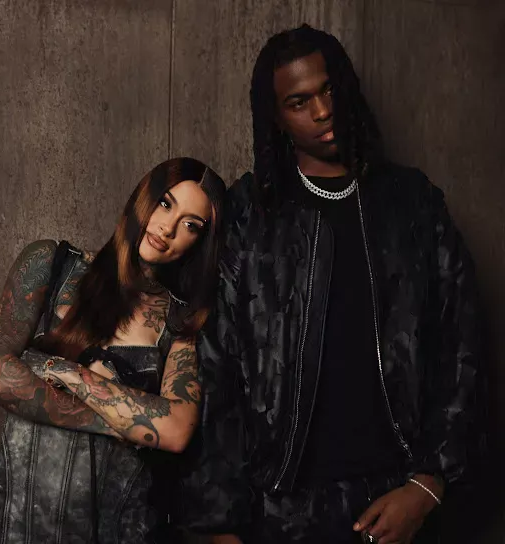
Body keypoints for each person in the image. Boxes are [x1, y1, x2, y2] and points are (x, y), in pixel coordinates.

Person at [178, 25, 484, 544]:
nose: (323, 111)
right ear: (276, 117)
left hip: (399, 493)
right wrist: (220, 523)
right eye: (299, 102)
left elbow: (463, 344)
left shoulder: (412, 203)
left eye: (330, 90)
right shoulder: (251, 213)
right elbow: (216, 370)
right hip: (278, 509)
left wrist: (428, 484)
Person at [0, 157, 226, 544]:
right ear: (145, 196)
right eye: (165, 203)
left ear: (201, 242)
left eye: (191, 225)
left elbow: (175, 431)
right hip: (14, 522)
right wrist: (125, 422)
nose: (168, 228)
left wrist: (64, 371)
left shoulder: (181, 322)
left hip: (115, 528)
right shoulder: (50, 264)